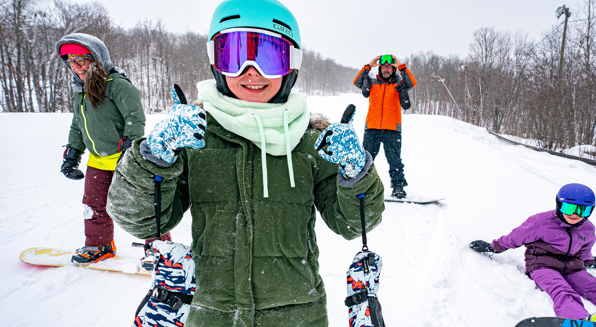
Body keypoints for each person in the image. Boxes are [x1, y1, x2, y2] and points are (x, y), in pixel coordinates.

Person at [106, 0, 385, 325]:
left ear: (290, 65)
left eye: (268, 56)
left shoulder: (310, 140)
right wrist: (155, 155)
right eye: (235, 55)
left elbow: (353, 224)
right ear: (216, 63)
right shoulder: (195, 137)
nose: (251, 72)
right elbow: (139, 220)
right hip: (212, 316)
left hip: (297, 318)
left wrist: (356, 172)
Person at [470, 183, 596, 326]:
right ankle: (581, 322)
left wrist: (589, 262)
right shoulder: (540, 222)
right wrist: (493, 247)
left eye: (583, 210)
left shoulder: (588, 229)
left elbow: (584, 250)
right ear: (559, 204)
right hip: (542, 265)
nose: (575, 214)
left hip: (574, 267)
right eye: (569, 207)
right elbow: (515, 237)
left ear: (590, 211)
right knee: (562, 291)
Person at [56, 33, 170, 265]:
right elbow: (78, 124)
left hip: (124, 160)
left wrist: (130, 145)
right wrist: (72, 154)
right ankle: (99, 246)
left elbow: (135, 118)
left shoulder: (117, 85)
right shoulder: (80, 91)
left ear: (97, 59)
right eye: (72, 61)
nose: (76, 67)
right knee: (94, 206)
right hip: (97, 161)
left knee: (141, 207)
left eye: (82, 60)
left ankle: (159, 250)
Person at [353, 54, 416, 199]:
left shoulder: (399, 84)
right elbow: (357, 82)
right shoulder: (372, 83)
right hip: (372, 128)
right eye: (383, 67)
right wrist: (368, 65)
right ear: (379, 68)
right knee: (365, 159)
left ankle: (398, 187)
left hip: (392, 128)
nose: (386, 69)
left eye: (389, 66)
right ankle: (360, 186)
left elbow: (411, 83)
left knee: (394, 160)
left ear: (393, 69)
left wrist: (401, 66)